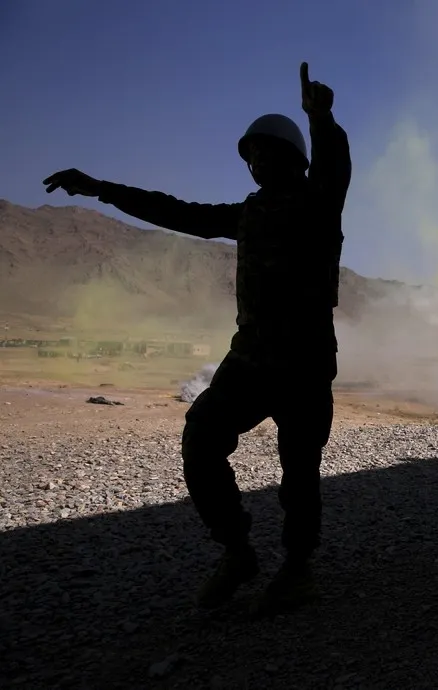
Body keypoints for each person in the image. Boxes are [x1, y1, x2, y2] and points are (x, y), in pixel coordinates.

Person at [42, 62, 351, 617]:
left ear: (293, 158)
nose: (255, 162)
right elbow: (174, 211)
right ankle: (236, 548)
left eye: (264, 152)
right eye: (249, 154)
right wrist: (99, 189)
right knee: (202, 436)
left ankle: (298, 570)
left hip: (304, 363)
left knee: (299, 470)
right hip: (251, 357)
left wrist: (322, 119)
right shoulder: (248, 214)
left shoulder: (318, 203)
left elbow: (335, 167)